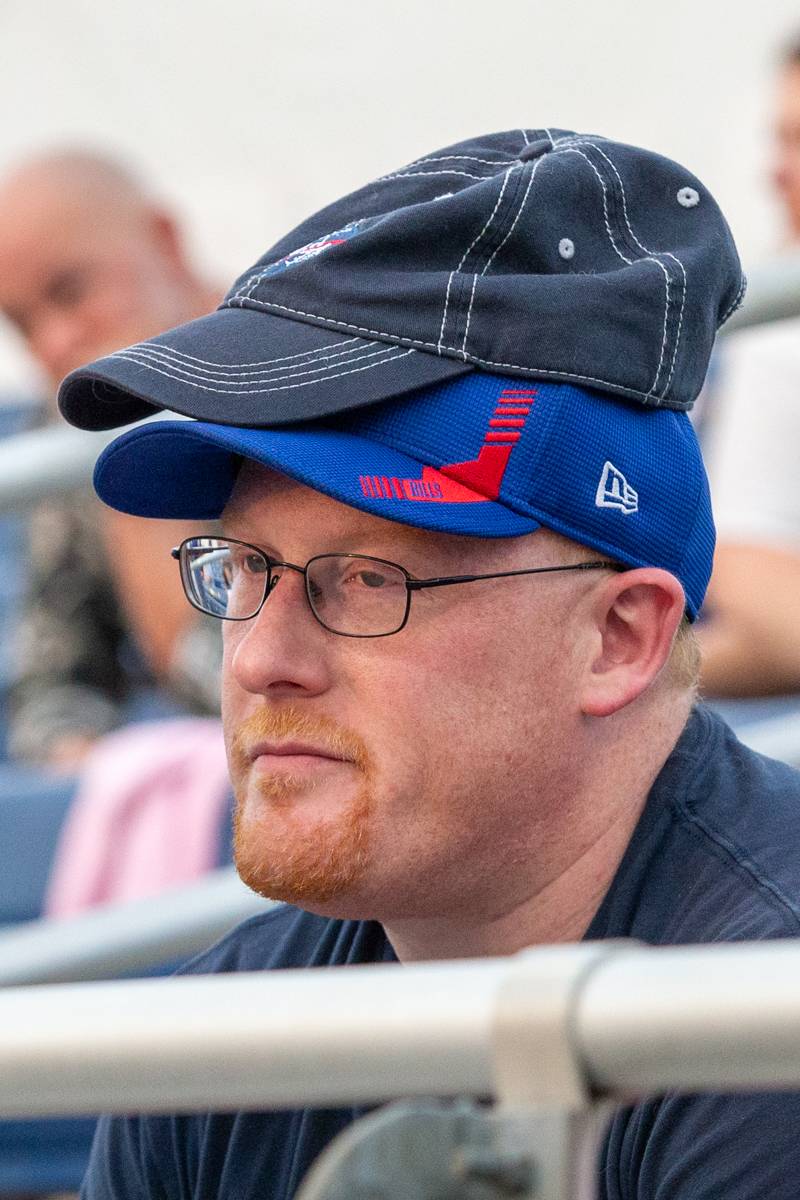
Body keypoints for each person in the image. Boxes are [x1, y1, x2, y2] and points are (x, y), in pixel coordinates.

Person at [59, 128, 800, 1199]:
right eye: (244, 569)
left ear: (616, 640)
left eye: (363, 580)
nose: (264, 659)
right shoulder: (216, 1050)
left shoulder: (763, 1021)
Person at [0, 149, 222, 767]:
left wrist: (137, 490)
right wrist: (98, 770)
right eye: (21, 323)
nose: (53, 341)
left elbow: (263, 694)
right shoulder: (63, 437)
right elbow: (52, 686)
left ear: (166, 244)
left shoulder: (300, 383)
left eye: (72, 292)